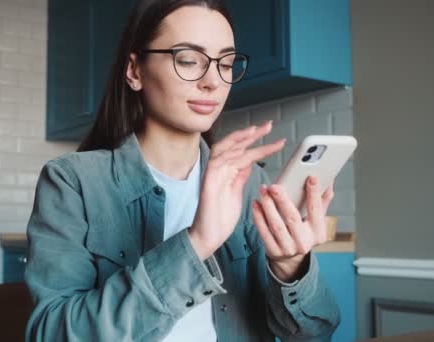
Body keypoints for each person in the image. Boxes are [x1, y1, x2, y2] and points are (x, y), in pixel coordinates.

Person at [25, 0, 341, 341]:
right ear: (135, 71)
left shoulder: (250, 185)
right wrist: (196, 243)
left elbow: (316, 331)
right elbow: (52, 334)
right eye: (188, 60)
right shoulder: (72, 182)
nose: (212, 81)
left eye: (227, 63)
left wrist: (291, 266)